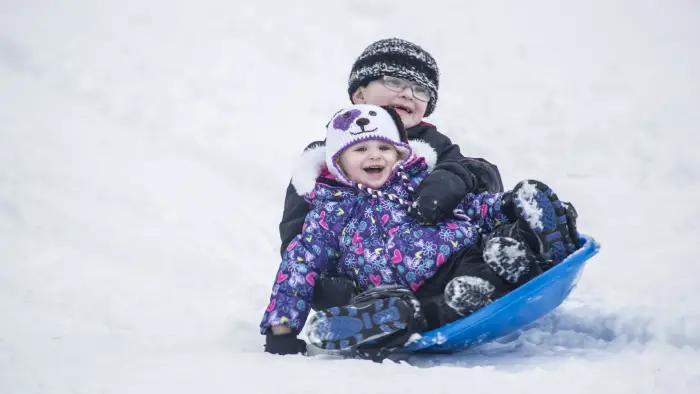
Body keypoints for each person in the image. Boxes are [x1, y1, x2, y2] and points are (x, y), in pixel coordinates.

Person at [262, 105, 579, 359]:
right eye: (360, 150)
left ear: (399, 153)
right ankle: (386, 319)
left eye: (384, 147)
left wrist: (507, 205)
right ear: (337, 163)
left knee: (483, 255)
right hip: (397, 291)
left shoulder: (415, 183)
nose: (375, 155)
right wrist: (283, 326)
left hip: (455, 258)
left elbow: (469, 206)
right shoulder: (328, 214)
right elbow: (299, 264)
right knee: (398, 308)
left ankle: (528, 247)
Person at [277, 38, 505, 312]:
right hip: (366, 285)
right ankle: (381, 321)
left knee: (482, 184)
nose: (409, 93)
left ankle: (514, 256)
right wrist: (325, 290)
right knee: (376, 303)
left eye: (421, 89)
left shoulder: (435, 146)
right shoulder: (322, 162)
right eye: (394, 82)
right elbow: (296, 231)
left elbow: (481, 192)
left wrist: (454, 178)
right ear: (359, 95)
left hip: (443, 263)